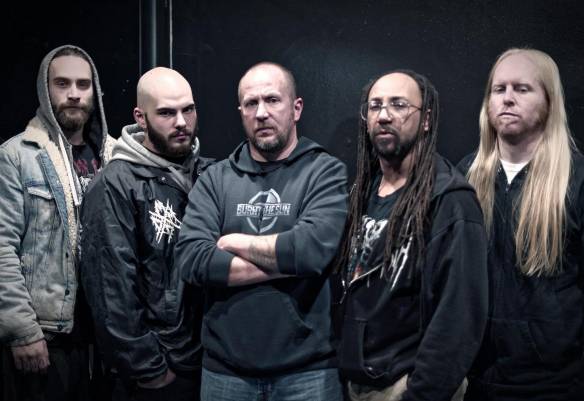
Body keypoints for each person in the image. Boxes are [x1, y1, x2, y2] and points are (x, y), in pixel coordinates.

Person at [174, 62, 348, 401]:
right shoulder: (215, 179)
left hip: (309, 373)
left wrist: (235, 242)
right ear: (241, 112)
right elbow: (193, 259)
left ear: (296, 108)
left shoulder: (324, 171)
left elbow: (312, 250)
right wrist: (290, 261)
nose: (262, 113)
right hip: (226, 373)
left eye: (272, 100)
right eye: (251, 103)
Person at [333, 70, 488, 401]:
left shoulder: (450, 201)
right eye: (375, 106)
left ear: (426, 119)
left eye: (399, 105)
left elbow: (458, 319)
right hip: (357, 384)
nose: (384, 115)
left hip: (407, 387)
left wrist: (419, 394)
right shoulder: (362, 192)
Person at [458, 48, 584, 401]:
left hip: (557, 386)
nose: (507, 98)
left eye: (522, 89)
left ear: (549, 102)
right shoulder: (465, 178)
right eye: (499, 89)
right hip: (478, 383)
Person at [79, 67, 209, 401]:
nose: (181, 122)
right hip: (159, 372)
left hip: (208, 363)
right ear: (141, 117)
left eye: (188, 109)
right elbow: (111, 289)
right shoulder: (115, 184)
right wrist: (148, 370)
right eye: (166, 113)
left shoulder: (208, 174)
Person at [0, 44, 115, 401]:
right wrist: (22, 331)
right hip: (48, 338)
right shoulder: (17, 156)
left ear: (95, 91)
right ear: (44, 89)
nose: (74, 94)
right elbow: (2, 247)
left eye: (83, 84)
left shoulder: (115, 157)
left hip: (104, 340)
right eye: (62, 83)